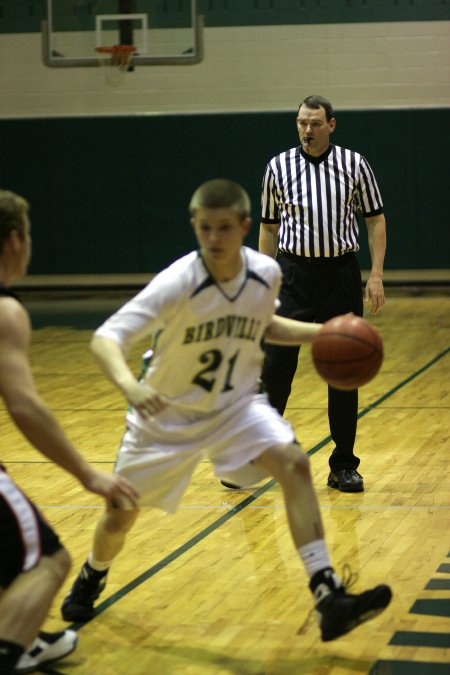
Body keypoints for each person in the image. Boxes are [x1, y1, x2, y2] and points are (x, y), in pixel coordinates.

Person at [61, 179, 391, 641]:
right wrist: (129, 386)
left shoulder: (265, 273)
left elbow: (263, 322)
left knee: (295, 464)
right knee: (121, 514)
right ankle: (94, 572)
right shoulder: (179, 282)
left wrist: (322, 334)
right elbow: (105, 338)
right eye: (203, 228)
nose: (213, 239)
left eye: (223, 228)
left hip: (235, 406)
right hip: (166, 413)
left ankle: (327, 593)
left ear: (243, 225)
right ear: (194, 227)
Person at [0, 190, 139, 675]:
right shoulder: (6, 311)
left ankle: (25, 637)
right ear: (16, 241)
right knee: (50, 563)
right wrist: (86, 473)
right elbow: (25, 406)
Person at [259, 95, 387, 493]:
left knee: (344, 372)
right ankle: (256, 458)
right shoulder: (278, 167)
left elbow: (376, 221)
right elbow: (268, 228)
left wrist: (377, 274)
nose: (307, 130)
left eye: (315, 123)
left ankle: (344, 465)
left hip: (340, 275)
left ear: (331, 125)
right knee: (276, 371)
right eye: (301, 123)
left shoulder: (355, 164)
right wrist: (264, 281)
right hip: (293, 275)